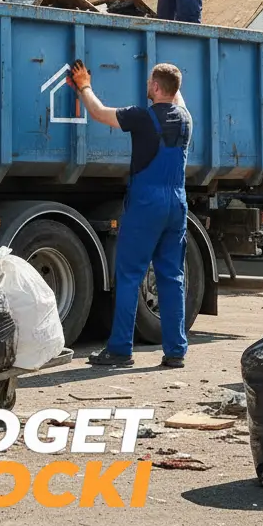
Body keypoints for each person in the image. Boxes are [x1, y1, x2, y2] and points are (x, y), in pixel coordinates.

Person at [68, 58, 191, 369]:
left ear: (156, 87)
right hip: (177, 204)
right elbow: (176, 94)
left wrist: (84, 86)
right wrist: (172, 81)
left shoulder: (141, 117)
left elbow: (99, 112)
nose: (147, 85)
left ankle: (121, 350)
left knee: (129, 276)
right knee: (172, 277)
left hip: (146, 205)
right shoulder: (186, 119)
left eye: (150, 82)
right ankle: (175, 351)